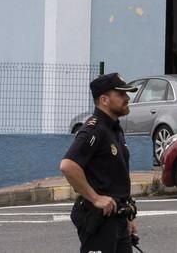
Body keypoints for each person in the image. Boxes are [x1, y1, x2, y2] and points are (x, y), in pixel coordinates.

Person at [61, 73, 140, 253]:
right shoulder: (94, 130)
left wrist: (128, 215)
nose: (127, 98)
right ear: (104, 99)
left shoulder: (114, 129)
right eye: (120, 94)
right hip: (100, 219)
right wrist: (95, 198)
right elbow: (68, 165)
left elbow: (116, 176)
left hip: (118, 217)